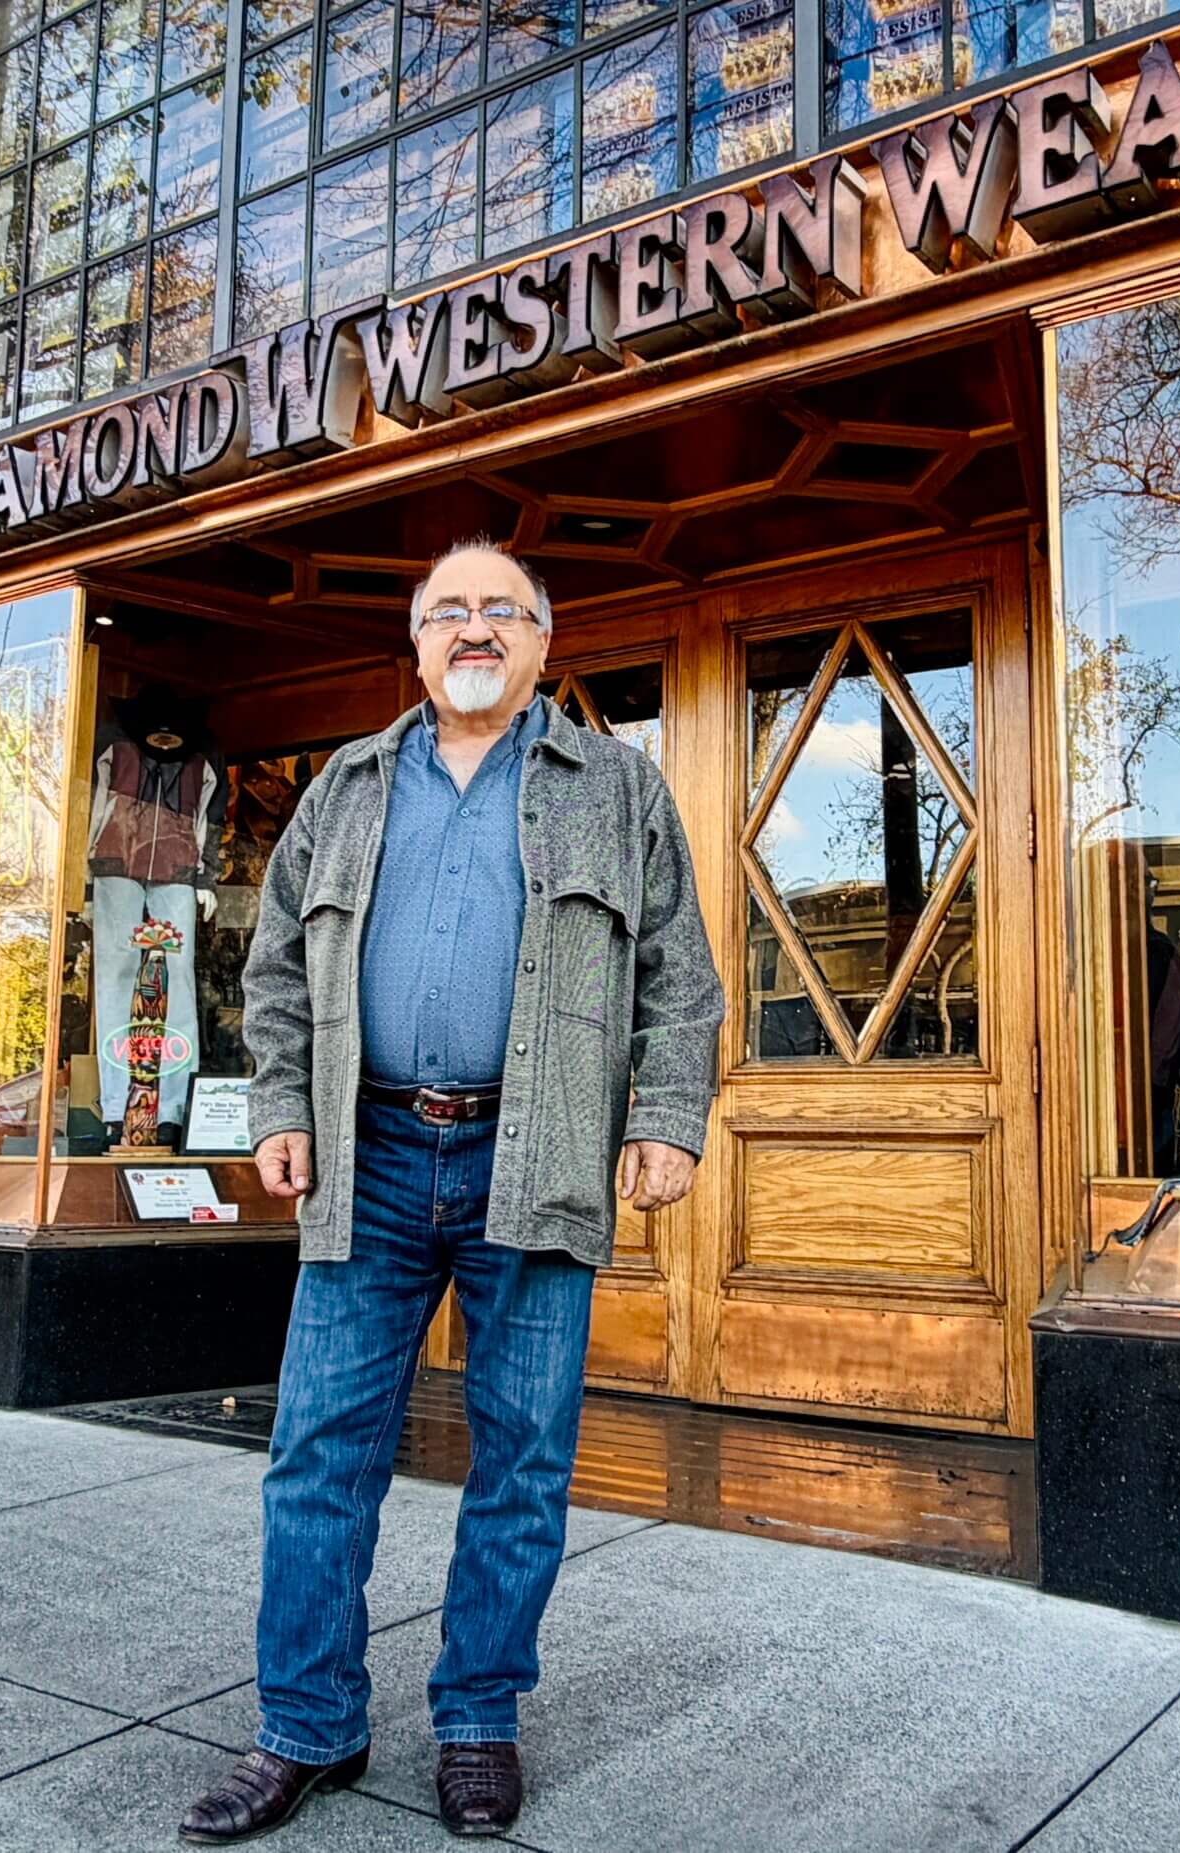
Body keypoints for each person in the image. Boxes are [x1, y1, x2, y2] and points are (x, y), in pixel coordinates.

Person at [181, 539, 724, 1843]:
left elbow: (680, 971)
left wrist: (663, 1116)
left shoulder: (621, 787)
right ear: (417, 645)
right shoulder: (347, 789)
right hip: (363, 1162)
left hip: (532, 1157)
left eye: (502, 611)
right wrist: (279, 1108)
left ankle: (479, 1716)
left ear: (544, 641)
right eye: (447, 613)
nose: (473, 630)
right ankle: (307, 1722)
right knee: (317, 1449)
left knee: (523, 1456)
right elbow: (272, 970)